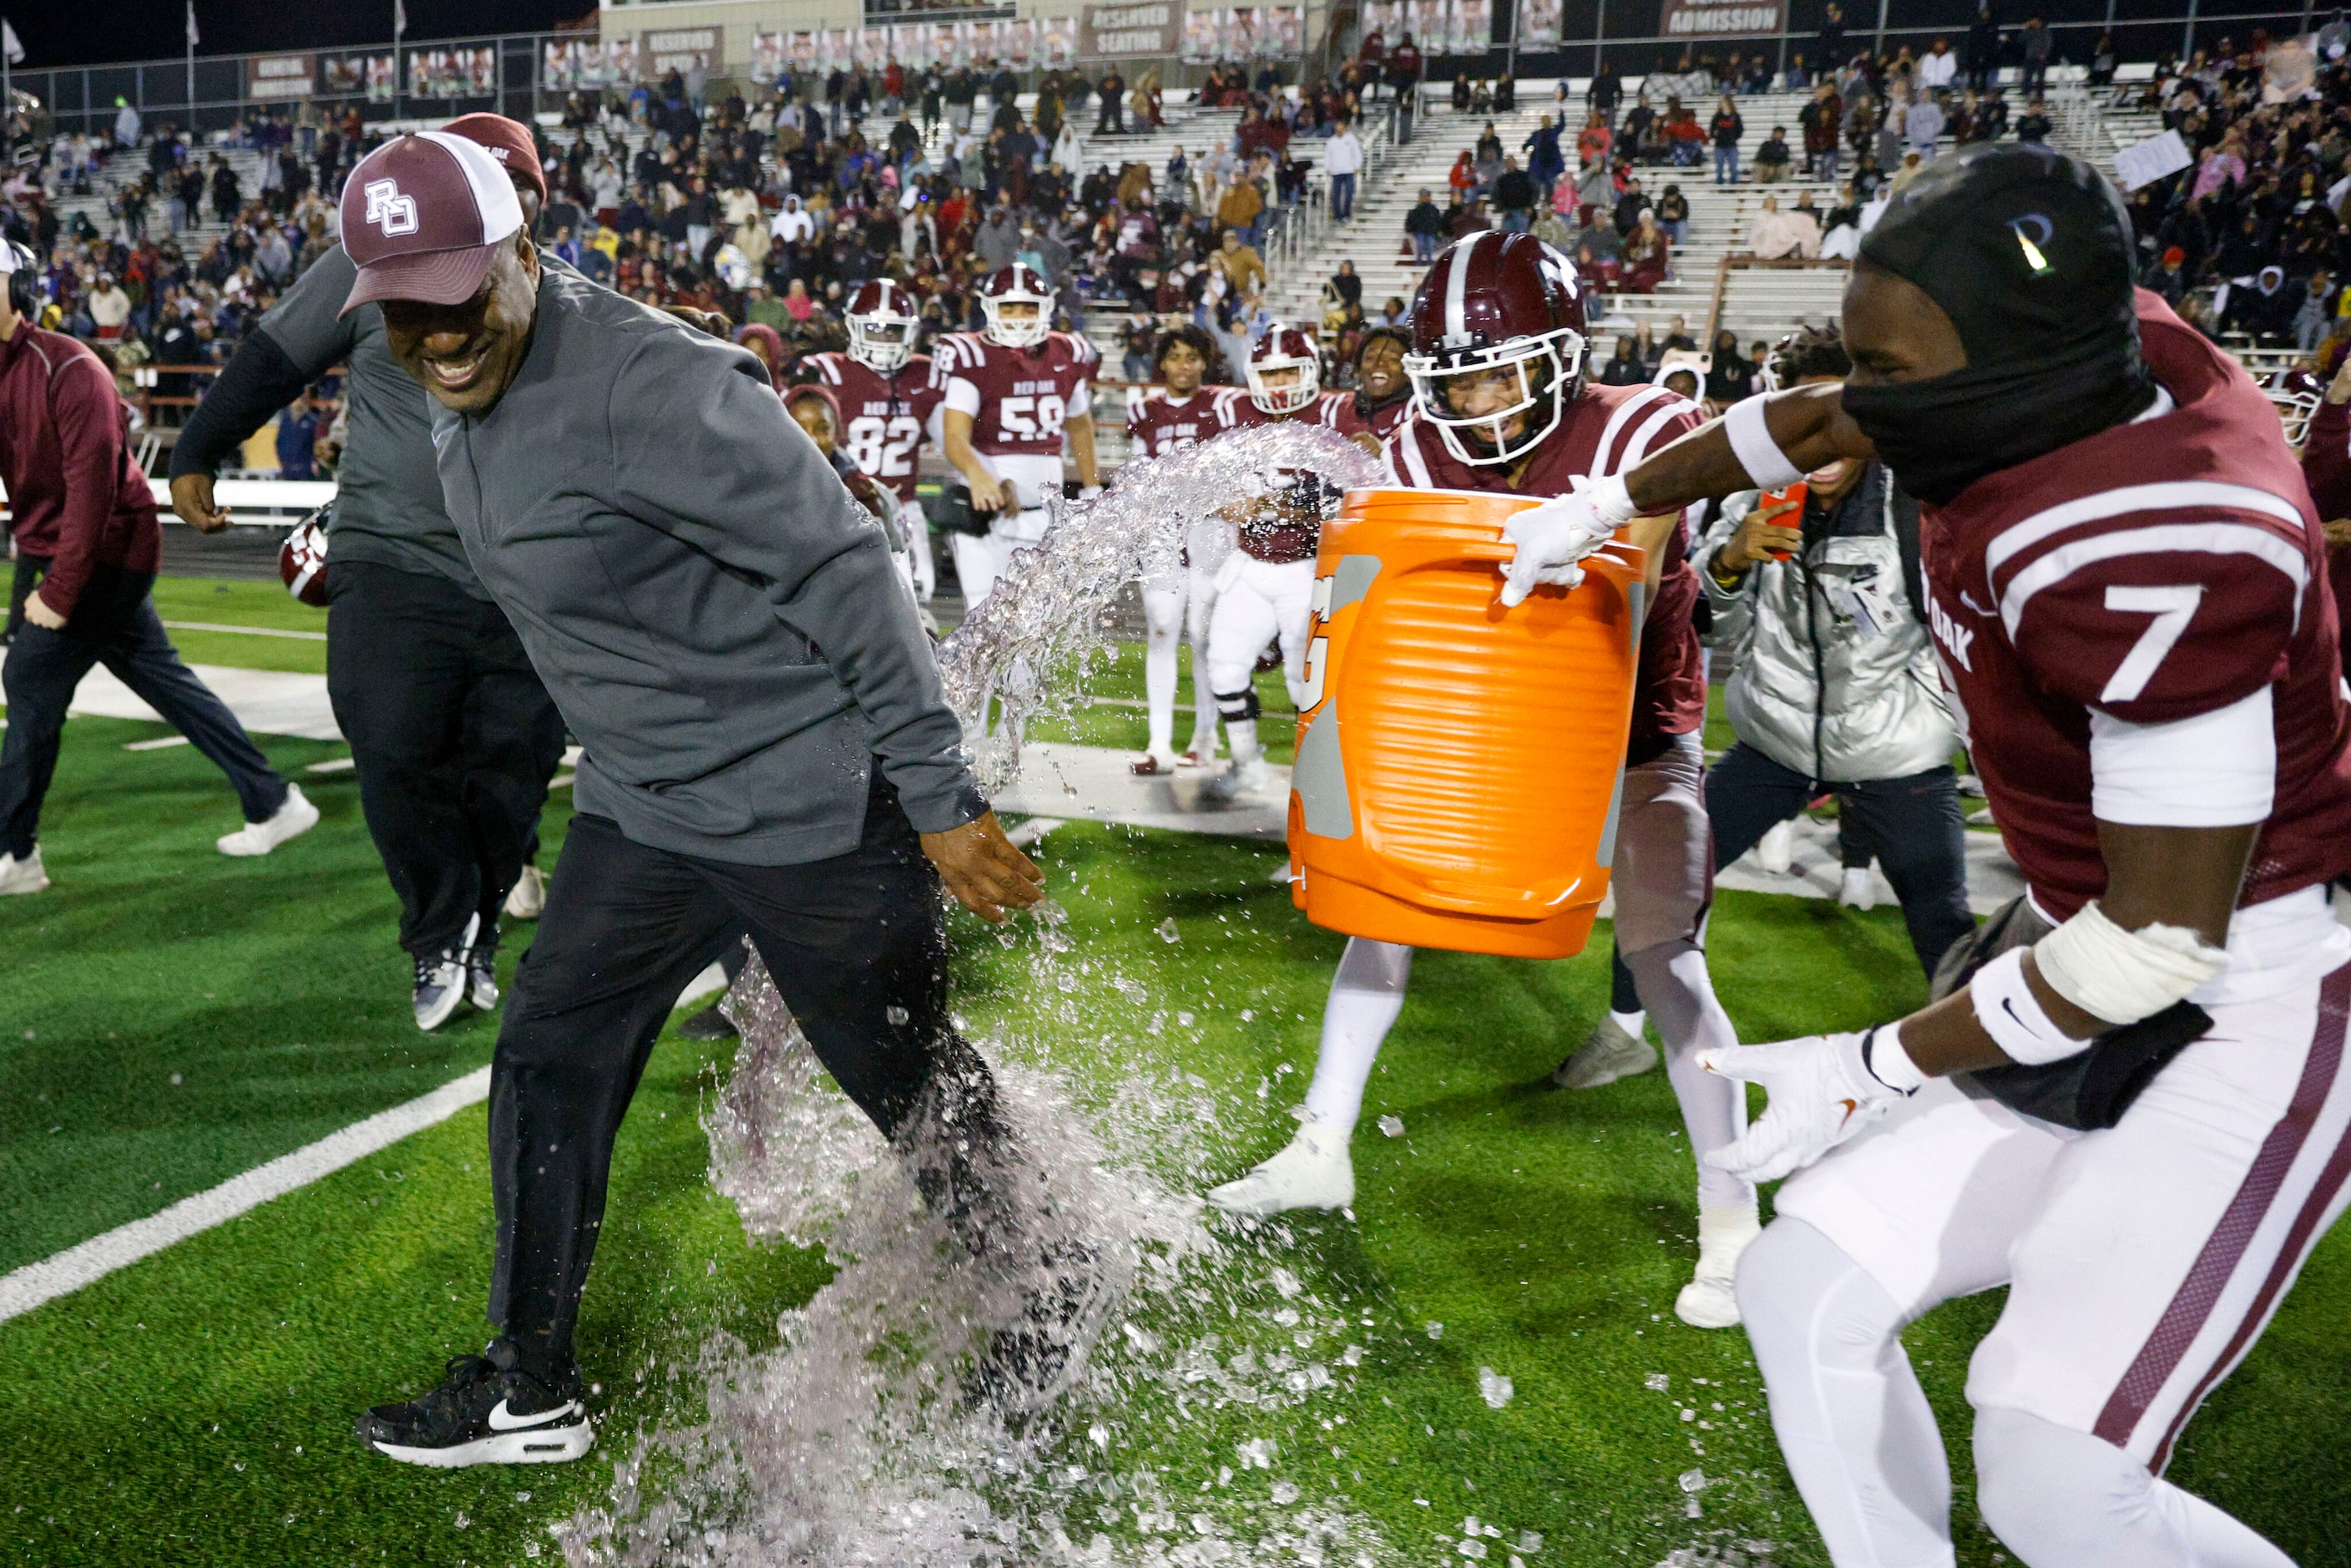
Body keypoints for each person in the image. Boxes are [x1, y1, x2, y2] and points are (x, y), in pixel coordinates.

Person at [1518, 141, 2351, 1568]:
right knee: (1806, 1283)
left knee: (2052, 1470)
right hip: (2094, 934)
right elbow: (1820, 418)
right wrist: (1613, 506)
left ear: (2003, 383)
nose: (1863, 397)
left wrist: (1873, 1061)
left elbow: (2153, 948)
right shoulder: (2085, 351)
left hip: (2264, 983)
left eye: (1893, 373)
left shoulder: (2160, 536)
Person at [335, 131, 1056, 1469]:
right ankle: (527, 1381)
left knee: (904, 1083)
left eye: (458, 294)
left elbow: (848, 570)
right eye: (403, 308)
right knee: (549, 1050)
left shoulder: (658, 381)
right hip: (644, 807)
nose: (437, 334)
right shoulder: (450, 373)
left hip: (812, 806)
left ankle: (1043, 1292)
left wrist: (940, 795)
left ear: (523, 254)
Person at [1207, 234, 1762, 1331]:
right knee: (1382, 913)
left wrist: (1592, 538)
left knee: (1664, 956)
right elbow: (1378, 589)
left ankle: (1731, 1215)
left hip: (1638, 730)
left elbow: (1643, 557)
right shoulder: (1418, 441)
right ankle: (1322, 1142)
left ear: (1563, 357)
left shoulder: (1644, 421)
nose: (1476, 400)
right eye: (1455, 376)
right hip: (1470, 729)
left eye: (1498, 372)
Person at [170, 116, 568, 1030]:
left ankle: (478, 925)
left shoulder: (564, 292)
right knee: (391, 747)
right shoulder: (368, 267)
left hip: (523, 577)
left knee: (512, 771)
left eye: (521, 188)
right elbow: (278, 354)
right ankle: (438, 930)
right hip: (391, 556)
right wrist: (197, 445)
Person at [0, 240, 317, 898]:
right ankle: (273, 800)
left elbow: (92, 494)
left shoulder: (70, 370)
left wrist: (58, 592)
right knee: (161, 679)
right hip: (48, 549)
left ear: (20, 292)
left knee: (28, 679)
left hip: (108, 551)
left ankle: (15, 854)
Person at [1691, 324, 1974, 977]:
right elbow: (1712, 630)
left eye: (1838, 418)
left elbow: (1962, 631)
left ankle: (1983, 1072)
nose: (1820, 442)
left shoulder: (1919, 504)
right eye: (1801, 420)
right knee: (1673, 880)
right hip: (1776, 740)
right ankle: (1623, 1029)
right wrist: (1730, 563)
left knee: (1943, 922)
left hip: (1894, 748)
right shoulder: (1750, 500)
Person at [1195, 324, 1346, 805]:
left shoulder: (1333, 414)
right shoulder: (1231, 412)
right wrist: (1226, 503)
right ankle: (1246, 764)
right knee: (1224, 665)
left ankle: (1316, 776)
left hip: (1309, 569)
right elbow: (1204, 488)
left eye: (1288, 371)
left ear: (1310, 372)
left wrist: (1277, 506)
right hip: (1251, 561)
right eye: (1270, 372)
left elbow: (1343, 496)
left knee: (1307, 680)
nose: (1279, 382)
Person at [932, 262, 1102, 610]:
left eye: (1030, 308)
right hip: (990, 514)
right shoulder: (972, 355)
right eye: (1009, 308)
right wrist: (980, 478)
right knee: (981, 615)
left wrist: (1091, 487)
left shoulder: (1067, 353)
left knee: (1032, 622)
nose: (1019, 317)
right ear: (990, 309)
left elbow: (1080, 425)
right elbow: (954, 437)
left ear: (1047, 309)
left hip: (1044, 513)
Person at [1124, 324, 1244, 775]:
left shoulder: (1224, 404)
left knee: (1203, 632)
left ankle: (1204, 737)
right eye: (1175, 356)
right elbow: (1136, 474)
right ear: (1162, 363)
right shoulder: (1144, 409)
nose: (1183, 365)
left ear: (1204, 362)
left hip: (1210, 526)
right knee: (1161, 628)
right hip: (1161, 529)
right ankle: (1159, 743)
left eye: (1191, 357)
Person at [801, 279, 944, 608]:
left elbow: (953, 439)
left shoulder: (925, 374)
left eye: (893, 330)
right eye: (875, 329)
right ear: (854, 328)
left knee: (916, 598)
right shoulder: (826, 372)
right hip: (838, 504)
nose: (884, 339)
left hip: (901, 505)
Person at [1325, 117, 1363, 224]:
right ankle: (1338, 216)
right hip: (1336, 171)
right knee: (1336, 195)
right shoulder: (1331, 141)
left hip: (1349, 170)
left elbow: (1356, 152)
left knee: (1349, 193)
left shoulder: (1350, 139)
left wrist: (1357, 166)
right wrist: (1327, 167)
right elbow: (1327, 155)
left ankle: (1347, 214)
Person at [1405, 188, 1447, 265]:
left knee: (1430, 247)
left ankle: (1429, 261)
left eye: (1427, 196)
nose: (1426, 198)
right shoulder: (1416, 210)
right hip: (1420, 231)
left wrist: (1438, 229)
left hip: (1430, 231)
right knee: (1420, 246)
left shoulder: (1433, 209)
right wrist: (1411, 229)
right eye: (1424, 196)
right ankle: (1419, 260)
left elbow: (1437, 220)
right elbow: (1411, 220)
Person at [1711, 96, 1744, 185]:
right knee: (1720, 167)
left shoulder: (1735, 117)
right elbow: (1712, 130)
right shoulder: (1717, 117)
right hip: (1720, 146)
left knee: (1733, 167)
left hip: (1732, 145)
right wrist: (1715, 135)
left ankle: (1733, 184)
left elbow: (1740, 130)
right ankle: (1719, 184)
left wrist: (1733, 137)